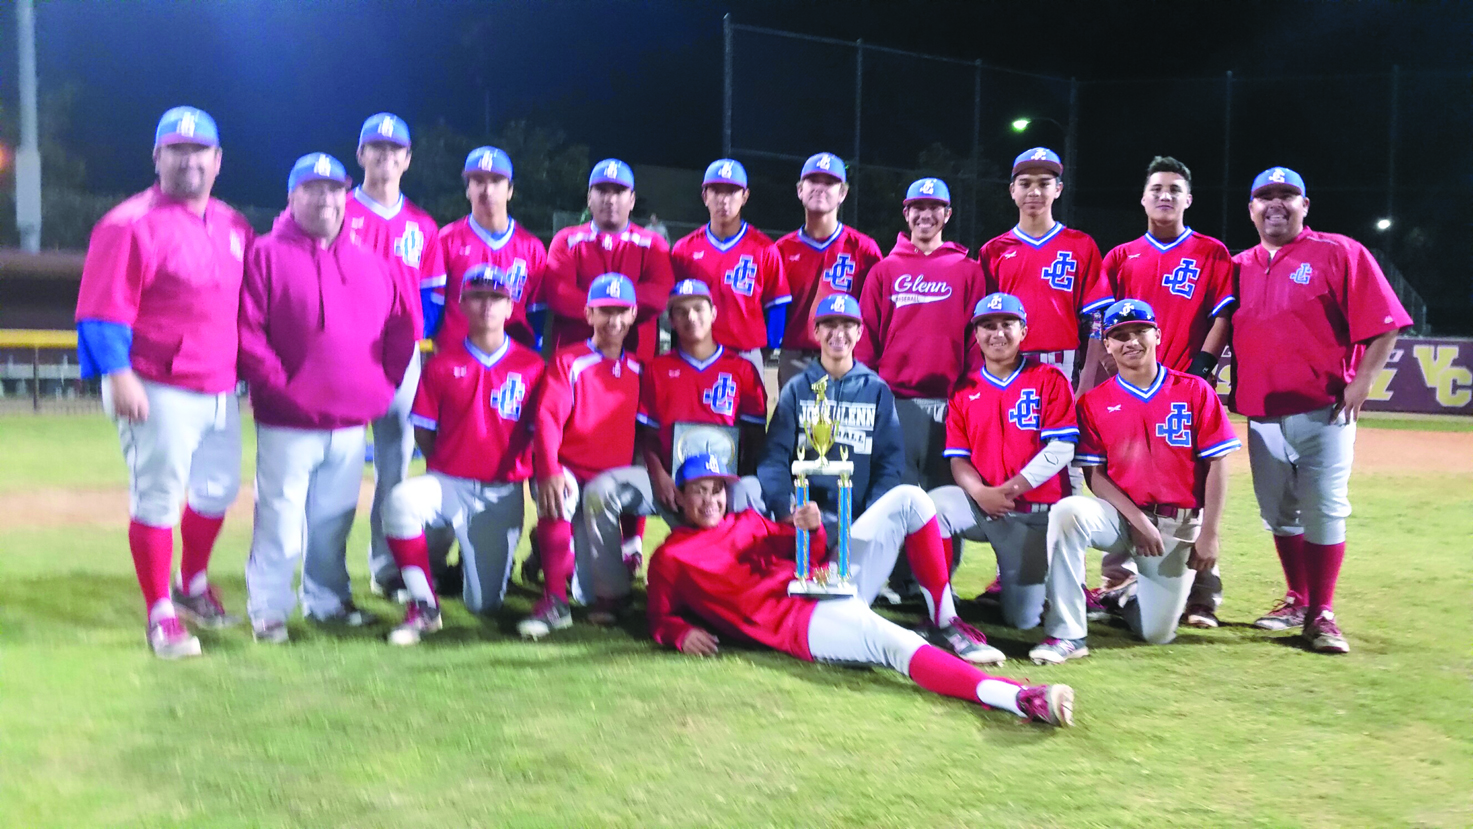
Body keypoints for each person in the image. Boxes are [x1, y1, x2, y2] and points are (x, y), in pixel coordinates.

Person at [647, 454, 1073, 726]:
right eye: (698, 492)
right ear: (679, 499)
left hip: (823, 581)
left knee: (909, 498)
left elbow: (809, 554)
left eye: (716, 490)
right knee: (896, 643)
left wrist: (810, 528)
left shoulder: (746, 522)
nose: (710, 500)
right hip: (802, 622)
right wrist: (680, 634)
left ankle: (945, 620)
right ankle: (1018, 698)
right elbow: (659, 617)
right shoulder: (671, 557)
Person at [75, 106, 254, 658]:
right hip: (154, 382)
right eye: (176, 149)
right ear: (157, 157)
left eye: (200, 150)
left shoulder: (232, 224)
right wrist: (118, 375)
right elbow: (102, 311)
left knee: (218, 490)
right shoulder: (128, 223)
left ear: (218, 161)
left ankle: (192, 583)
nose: (189, 159)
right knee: (157, 497)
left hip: (219, 383)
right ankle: (159, 616)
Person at [756, 294, 997, 662]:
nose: (839, 333)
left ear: (859, 332)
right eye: (830, 325)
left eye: (847, 325)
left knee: (912, 497)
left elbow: (889, 465)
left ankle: (944, 620)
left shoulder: (876, 390)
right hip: (804, 541)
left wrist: (865, 520)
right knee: (826, 619)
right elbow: (773, 461)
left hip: (856, 536)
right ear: (816, 331)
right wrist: (788, 509)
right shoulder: (796, 390)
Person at [238, 152, 417, 644]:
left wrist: (382, 386)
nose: (326, 199)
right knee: (280, 518)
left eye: (335, 189)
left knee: (333, 520)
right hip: (287, 422)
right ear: (292, 197)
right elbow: (247, 333)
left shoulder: (371, 263)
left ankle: (327, 600)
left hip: (347, 422)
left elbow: (405, 326)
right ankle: (269, 609)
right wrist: (280, 389)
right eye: (313, 189)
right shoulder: (264, 253)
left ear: (346, 197)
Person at [1230, 167, 1410, 654]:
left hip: (1325, 409)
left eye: (1287, 195)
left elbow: (1386, 323)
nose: (1275, 203)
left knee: (1325, 507)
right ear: (1250, 209)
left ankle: (1321, 613)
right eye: (1264, 196)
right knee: (1278, 512)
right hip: (1261, 413)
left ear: (1304, 205)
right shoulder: (1238, 264)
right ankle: (1296, 597)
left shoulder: (1339, 251)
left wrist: (1365, 381)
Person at [1029, 300, 1240, 664]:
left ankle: (1123, 597)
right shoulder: (1094, 403)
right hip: (1123, 520)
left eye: (1140, 331)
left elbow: (1218, 463)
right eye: (1119, 335)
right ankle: (1068, 633)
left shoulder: (1192, 390)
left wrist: (1210, 533)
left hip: (1178, 525)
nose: (1131, 342)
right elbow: (1095, 476)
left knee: (1156, 634)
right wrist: (1138, 520)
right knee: (1067, 511)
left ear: (1157, 335)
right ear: (1107, 345)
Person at [1095, 155, 1237, 629]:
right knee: (1123, 475)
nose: (1164, 196)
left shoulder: (1211, 252)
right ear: (1143, 198)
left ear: (1188, 199)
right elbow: (1103, 326)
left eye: (1174, 189)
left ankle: (1202, 594)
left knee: (1193, 488)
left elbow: (1223, 314)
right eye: (1156, 188)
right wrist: (1096, 377)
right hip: (1130, 384)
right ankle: (1118, 582)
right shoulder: (1122, 256)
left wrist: (1204, 365)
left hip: (1184, 387)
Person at [380, 265, 545, 644]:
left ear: (509, 307)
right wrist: (449, 465)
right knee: (401, 502)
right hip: (449, 483)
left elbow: (539, 437)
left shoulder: (532, 367)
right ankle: (424, 606)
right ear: (463, 305)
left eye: (496, 298)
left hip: (501, 493)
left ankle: (456, 573)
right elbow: (424, 430)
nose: (487, 305)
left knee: (483, 605)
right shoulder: (440, 363)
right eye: (477, 297)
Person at [342, 113, 447, 603]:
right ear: (360, 154)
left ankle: (385, 567)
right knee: (335, 468)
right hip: (342, 358)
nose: (384, 157)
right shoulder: (338, 211)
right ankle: (325, 574)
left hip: (400, 361)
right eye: (375, 148)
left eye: (394, 150)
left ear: (407, 159)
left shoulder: (423, 225)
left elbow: (432, 295)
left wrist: (407, 333)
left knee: (394, 468)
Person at [929, 293, 1079, 631]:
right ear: (977, 334)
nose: (997, 333)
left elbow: (1062, 449)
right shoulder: (965, 388)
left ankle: (1042, 593)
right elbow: (959, 458)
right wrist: (980, 493)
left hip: (1032, 518)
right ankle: (940, 606)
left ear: (1023, 331)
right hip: (984, 510)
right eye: (988, 326)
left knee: (1022, 621)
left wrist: (1008, 490)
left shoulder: (1049, 379)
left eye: (1006, 324)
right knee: (931, 506)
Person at [520, 274, 643, 638]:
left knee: (595, 594)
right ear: (588, 313)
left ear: (634, 314)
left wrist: (633, 537)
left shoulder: (640, 368)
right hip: (572, 471)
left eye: (622, 311)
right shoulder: (568, 360)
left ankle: (556, 554)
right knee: (558, 497)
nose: (614, 320)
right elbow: (547, 418)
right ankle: (554, 600)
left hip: (609, 488)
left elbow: (644, 442)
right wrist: (549, 471)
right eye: (605, 311)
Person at [856, 177, 988, 489]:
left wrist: (972, 397)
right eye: (917, 207)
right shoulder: (884, 270)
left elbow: (976, 342)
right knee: (893, 497)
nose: (925, 214)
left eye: (934, 207)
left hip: (950, 402)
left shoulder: (968, 270)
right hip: (894, 401)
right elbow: (865, 339)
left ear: (948, 214)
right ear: (906, 213)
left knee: (944, 501)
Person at [976, 148, 1112, 391]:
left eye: (1044, 183)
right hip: (1006, 362)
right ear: (1012, 191)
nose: (1034, 192)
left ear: (1058, 189)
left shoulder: (1081, 245)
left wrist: (1088, 379)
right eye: (1025, 183)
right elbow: (983, 322)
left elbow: (1094, 318)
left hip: (1063, 363)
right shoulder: (993, 251)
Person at [543, 159, 674, 362]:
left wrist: (595, 304)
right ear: (589, 198)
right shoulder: (566, 240)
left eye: (619, 191)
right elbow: (560, 296)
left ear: (631, 200)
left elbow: (659, 296)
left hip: (636, 361)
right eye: (602, 190)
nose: (610, 199)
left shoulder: (653, 244)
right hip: (574, 362)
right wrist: (625, 306)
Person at [670, 159, 791, 375]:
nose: (724, 199)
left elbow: (777, 303)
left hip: (745, 353)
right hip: (694, 353)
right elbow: (672, 305)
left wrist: (770, 346)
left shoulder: (764, 248)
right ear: (705, 196)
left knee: (750, 410)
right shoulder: (684, 249)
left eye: (732, 191)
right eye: (716, 191)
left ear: (745, 196)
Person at [774, 153, 883, 388]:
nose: (820, 189)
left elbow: (875, 312)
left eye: (829, 183)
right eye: (813, 181)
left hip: (846, 356)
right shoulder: (781, 250)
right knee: (797, 424)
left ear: (842, 193)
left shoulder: (864, 249)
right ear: (800, 190)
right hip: (797, 357)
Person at [428, 146, 548, 351]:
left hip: (510, 364)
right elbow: (434, 306)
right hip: (454, 359)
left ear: (510, 190)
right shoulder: (446, 240)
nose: (487, 190)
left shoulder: (532, 248)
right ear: (467, 189)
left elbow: (536, 316)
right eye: (478, 181)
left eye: (496, 181)